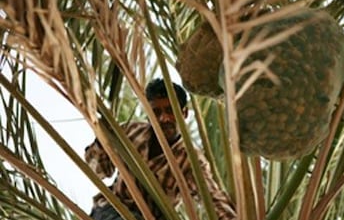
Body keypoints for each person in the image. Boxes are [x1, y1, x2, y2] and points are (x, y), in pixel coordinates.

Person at [85, 78, 236, 220]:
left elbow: (211, 197)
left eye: (170, 111)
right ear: (149, 115)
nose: (164, 118)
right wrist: (102, 136)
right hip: (110, 211)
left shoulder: (190, 159)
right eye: (156, 112)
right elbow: (99, 170)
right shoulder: (130, 132)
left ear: (184, 113)